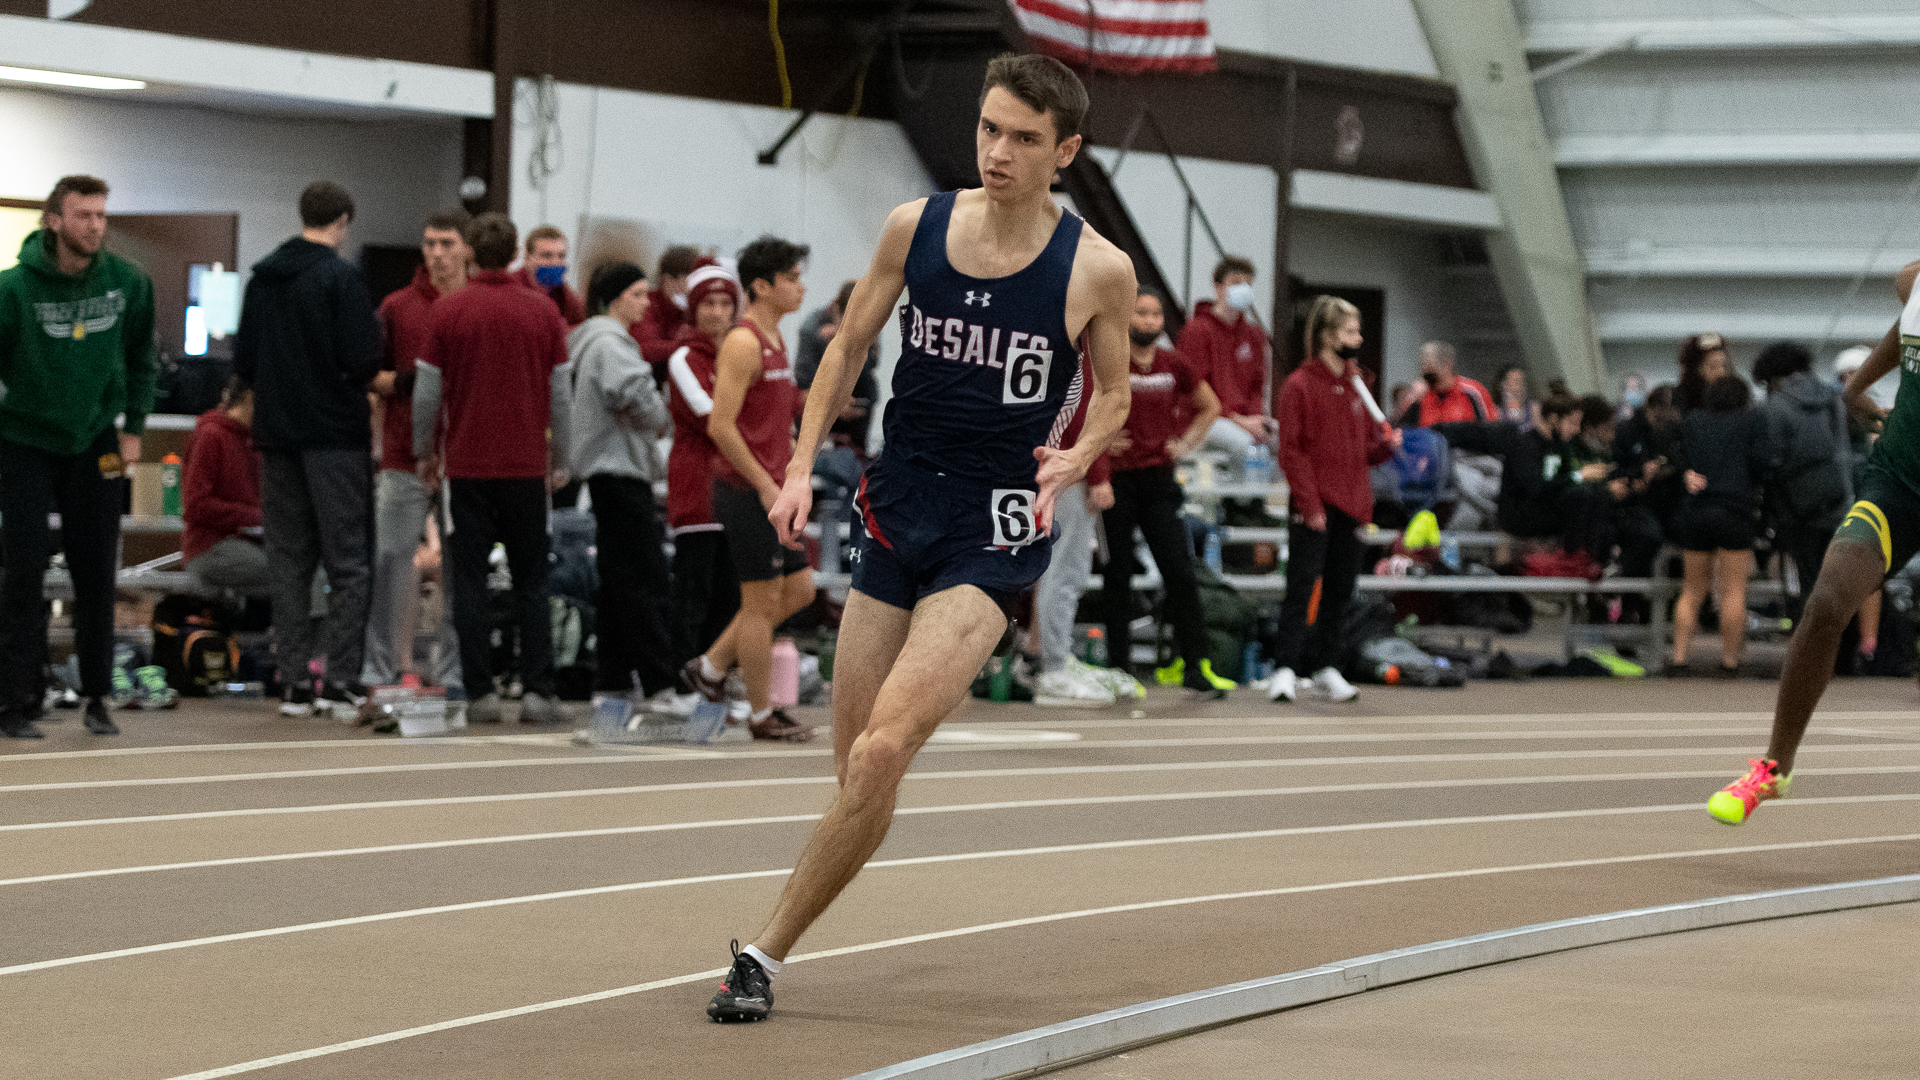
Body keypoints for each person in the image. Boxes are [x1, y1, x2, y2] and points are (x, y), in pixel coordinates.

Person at [707, 53, 1134, 1022]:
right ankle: (824, 883)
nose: (999, 152)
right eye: (989, 130)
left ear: (1063, 152)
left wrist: (1072, 461)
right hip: (895, 503)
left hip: (993, 528)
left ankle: (760, 957)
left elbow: (1113, 395)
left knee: (879, 755)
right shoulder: (918, 226)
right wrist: (794, 468)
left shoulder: (1097, 268)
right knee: (855, 763)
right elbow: (849, 345)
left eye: (1025, 139)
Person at [1708, 261, 1920, 823]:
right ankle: (1774, 769)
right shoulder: (1915, 280)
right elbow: (1909, 325)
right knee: (1825, 602)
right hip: (1898, 481)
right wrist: (1854, 388)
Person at [0, 174, 155, 739]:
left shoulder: (128, 283)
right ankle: (16, 699)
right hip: (23, 441)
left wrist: (134, 427)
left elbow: (143, 359)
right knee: (23, 570)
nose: (95, 225)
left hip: (97, 442)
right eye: (83, 215)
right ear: (54, 221)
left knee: (96, 571)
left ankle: (96, 695)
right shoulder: (13, 289)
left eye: (101, 215)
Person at [412, 212, 572, 725]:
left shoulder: (448, 311)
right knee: (532, 581)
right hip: (527, 469)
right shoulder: (545, 313)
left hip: (467, 470)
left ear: (471, 254)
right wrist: (561, 456)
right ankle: (538, 693)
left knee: (471, 582)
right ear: (514, 254)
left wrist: (424, 451)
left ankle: (479, 692)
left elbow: (427, 394)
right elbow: (561, 395)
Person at [234, 181, 380, 719]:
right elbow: (364, 359)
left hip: (276, 436)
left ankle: (293, 683)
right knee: (348, 564)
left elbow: (244, 361)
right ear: (342, 220)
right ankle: (340, 679)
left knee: (288, 563)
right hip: (335, 439)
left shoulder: (263, 278)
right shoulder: (341, 279)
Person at [679, 236, 815, 743]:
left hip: (777, 488)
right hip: (745, 491)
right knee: (759, 604)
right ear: (761, 286)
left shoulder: (778, 338)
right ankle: (761, 713)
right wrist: (763, 485)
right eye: (792, 278)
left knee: (798, 590)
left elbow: (769, 420)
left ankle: (712, 667)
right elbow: (721, 426)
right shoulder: (743, 342)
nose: (801, 287)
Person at [1099, 287, 1230, 696]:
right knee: (1116, 577)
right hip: (1118, 481)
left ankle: (1194, 664)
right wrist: (1100, 441)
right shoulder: (1110, 360)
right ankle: (1120, 669)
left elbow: (1211, 406)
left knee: (1180, 572)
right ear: (1126, 317)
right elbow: (1081, 406)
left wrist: (1185, 443)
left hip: (1159, 480)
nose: (1150, 321)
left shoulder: (1175, 364)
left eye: (1156, 315)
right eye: (1141, 313)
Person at [1268, 295, 1398, 704]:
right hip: (1316, 506)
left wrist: (1386, 447)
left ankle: (1329, 666)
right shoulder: (1300, 385)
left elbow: (1363, 451)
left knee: (1341, 591)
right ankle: (1285, 668)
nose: (1357, 338)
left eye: (1358, 331)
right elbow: (1292, 451)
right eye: (1349, 331)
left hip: (1353, 504)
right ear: (1326, 335)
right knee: (1301, 589)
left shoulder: (1359, 385)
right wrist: (1310, 505)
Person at [363, 210, 469, 694]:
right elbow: (369, 374)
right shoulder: (398, 306)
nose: (437, 253)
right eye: (429, 243)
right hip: (404, 454)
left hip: (467, 456)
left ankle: (450, 671)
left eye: (447, 243)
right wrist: (410, 382)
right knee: (390, 560)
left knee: (458, 566)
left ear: (467, 248)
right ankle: (381, 671)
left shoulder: (476, 305)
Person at [570, 261, 680, 702]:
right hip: (620, 470)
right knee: (646, 577)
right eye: (638, 293)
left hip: (606, 471)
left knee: (617, 581)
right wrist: (660, 415)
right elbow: (636, 396)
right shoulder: (611, 344)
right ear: (616, 297)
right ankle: (660, 684)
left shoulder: (588, 342)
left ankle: (612, 681)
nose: (646, 301)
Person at [665, 260, 745, 665]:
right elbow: (712, 418)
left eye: (724, 303)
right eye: (708, 303)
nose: (716, 312)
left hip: (735, 490)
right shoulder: (682, 358)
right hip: (697, 489)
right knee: (693, 591)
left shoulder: (740, 355)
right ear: (693, 309)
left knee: (730, 595)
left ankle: (715, 679)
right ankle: (683, 678)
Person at [1030, 362, 1117, 707]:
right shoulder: (1085, 351)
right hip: (1067, 472)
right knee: (1063, 574)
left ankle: (1053, 660)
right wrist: (1097, 474)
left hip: (1053, 467)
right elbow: (1084, 416)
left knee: (1056, 573)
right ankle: (1053, 669)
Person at [1670, 375, 1769, 675]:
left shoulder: (1695, 420)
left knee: (1692, 590)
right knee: (1733, 591)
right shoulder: (1750, 421)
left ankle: (1679, 657)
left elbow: (1679, 453)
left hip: (1697, 510)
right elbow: (1761, 463)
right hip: (1735, 512)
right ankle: (1729, 661)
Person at [1752, 341, 1853, 625]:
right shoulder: (1833, 399)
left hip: (1795, 511)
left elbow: (1771, 460)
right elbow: (1842, 452)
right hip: (1836, 503)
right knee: (1833, 579)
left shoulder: (1775, 405)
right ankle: (1838, 650)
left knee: (1803, 581)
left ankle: (1808, 648)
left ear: (1772, 375)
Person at [1432, 393, 1588, 545]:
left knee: (1590, 498)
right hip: (1522, 517)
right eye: (1573, 423)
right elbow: (1535, 487)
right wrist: (1578, 476)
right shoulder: (1525, 445)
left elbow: (1562, 480)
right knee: (1579, 501)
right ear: (1554, 419)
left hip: (1545, 511)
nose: (1577, 430)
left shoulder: (1559, 446)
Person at [1178, 254, 1271, 458]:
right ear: (1218, 288)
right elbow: (1194, 390)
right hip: (1206, 418)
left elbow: (1257, 385)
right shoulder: (1196, 331)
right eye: (1236, 282)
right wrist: (1238, 419)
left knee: (1282, 439)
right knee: (1247, 447)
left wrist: (1255, 418)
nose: (1243, 289)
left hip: (1245, 419)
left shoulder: (1254, 335)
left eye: (1248, 283)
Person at [182, 378, 268, 596]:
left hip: (245, 541)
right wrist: (256, 517)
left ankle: (295, 628)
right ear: (251, 397)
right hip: (212, 544)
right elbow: (196, 505)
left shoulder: (256, 440)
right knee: (293, 571)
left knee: (299, 568)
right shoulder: (212, 435)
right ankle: (301, 629)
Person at [634, 244, 702, 369]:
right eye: (691, 281)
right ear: (668, 281)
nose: (696, 288)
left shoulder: (693, 311)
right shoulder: (647, 306)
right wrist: (690, 344)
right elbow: (646, 349)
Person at [1399, 341, 1494, 426]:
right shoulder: (1422, 397)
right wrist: (1416, 403)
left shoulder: (1471, 391)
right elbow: (1403, 432)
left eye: (1430, 365)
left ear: (1446, 366)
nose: (1425, 371)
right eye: (1423, 365)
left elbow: (1491, 429)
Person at [517, 225, 587, 327]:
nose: (555, 262)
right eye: (546, 256)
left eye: (561, 256)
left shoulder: (560, 289)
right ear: (528, 258)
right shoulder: (515, 286)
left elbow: (583, 319)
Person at [1677, 332, 1731, 413]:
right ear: (1696, 369)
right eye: (1713, 367)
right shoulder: (1683, 401)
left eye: (1724, 366)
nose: (1721, 372)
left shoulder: (1731, 399)